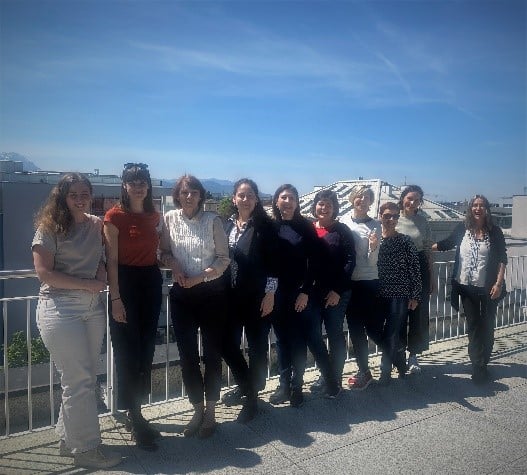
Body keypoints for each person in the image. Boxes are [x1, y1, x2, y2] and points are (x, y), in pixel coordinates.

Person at [32, 173, 122, 470]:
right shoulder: (48, 228)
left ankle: (66, 439)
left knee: (82, 378)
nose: (80, 199)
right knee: (79, 380)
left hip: (92, 308)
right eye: (74, 194)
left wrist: (100, 274)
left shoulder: (96, 225)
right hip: (60, 309)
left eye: (85, 194)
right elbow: (44, 273)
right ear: (63, 197)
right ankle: (86, 449)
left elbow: (104, 258)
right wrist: (88, 285)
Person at [159, 174, 230, 438]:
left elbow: (223, 259)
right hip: (182, 297)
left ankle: (211, 412)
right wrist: (174, 265)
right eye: (184, 192)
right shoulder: (169, 219)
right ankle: (197, 409)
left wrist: (200, 277)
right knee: (187, 356)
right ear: (177, 195)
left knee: (212, 354)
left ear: (201, 195)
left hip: (212, 295)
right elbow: (162, 253)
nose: (189, 196)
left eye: (194, 192)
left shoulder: (213, 221)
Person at [103, 163, 163, 451]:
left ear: (148, 186)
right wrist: (115, 299)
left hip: (150, 283)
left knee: (146, 349)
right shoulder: (114, 217)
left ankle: (136, 411)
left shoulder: (154, 215)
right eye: (133, 182)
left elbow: (160, 251)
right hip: (124, 285)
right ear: (124, 186)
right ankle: (135, 416)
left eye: (142, 182)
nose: (138, 187)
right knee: (127, 351)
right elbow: (111, 261)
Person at [269, 184, 341, 408]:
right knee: (282, 341)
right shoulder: (271, 227)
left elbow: (315, 263)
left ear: (297, 202)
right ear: (276, 201)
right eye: (283, 197)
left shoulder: (305, 227)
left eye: (292, 198)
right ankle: (284, 385)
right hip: (277, 294)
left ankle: (298, 386)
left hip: (301, 294)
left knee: (302, 341)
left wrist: (305, 292)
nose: (287, 201)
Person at [220, 178, 279, 422]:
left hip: (257, 298)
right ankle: (246, 386)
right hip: (230, 298)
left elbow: (274, 265)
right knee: (227, 345)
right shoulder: (226, 225)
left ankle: (252, 398)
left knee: (256, 349)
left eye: (250, 195)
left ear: (256, 199)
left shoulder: (266, 227)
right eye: (241, 195)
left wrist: (270, 294)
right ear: (234, 198)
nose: (245, 199)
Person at [432, 195, 507, 383]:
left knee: (487, 326)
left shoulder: (495, 231)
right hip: (466, 288)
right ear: (470, 209)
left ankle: (484, 362)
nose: (478, 208)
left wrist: (498, 284)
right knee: (473, 327)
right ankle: (478, 368)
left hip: (489, 288)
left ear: (487, 209)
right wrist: (423, 247)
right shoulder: (462, 228)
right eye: (474, 205)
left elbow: (502, 259)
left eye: (481, 205)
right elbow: (447, 243)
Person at [309, 189, 355, 393]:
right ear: (315, 206)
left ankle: (335, 379)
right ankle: (326, 374)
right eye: (321, 203)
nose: (324, 207)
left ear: (335, 208)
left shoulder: (342, 230)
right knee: (313, 335)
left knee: (334, 334)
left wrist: (337, 290)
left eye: (329, 204)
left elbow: (350, 261)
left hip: (337, 292)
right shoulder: (309, 229)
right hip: (313, 293)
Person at [341, 185, 384, 390]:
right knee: (355, 329)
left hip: (367, 281)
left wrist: (374, 247)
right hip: (348, 281)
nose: (362, 200)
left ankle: (396, 354)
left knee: (372, 328)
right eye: (359, 196)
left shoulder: (375, 225)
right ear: (352, 199)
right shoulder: (343, 221)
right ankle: (364, 371)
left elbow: (372, 262)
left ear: (371, 202)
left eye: (367, 197)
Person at [377, 202, 422, 385]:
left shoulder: (405, 241)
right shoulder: (374, 239)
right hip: (377, 294)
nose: (391, 219)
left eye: (395, 216)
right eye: (387, 215)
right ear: (380, 216)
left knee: (392, 332)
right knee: (378, 331)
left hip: (399, 294)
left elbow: (415, 269)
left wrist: (415, 295)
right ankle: (401, 363)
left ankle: (385, 371)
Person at [396, 185, 433, 374]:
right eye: (409, 198)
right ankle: (398, 354)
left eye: (417, 200)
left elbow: (428, 250)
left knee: (418, 315)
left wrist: (432, 277)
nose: (412, 202)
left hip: (419, 268)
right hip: (398, 269)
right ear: (403, 198)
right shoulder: (393, 217)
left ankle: (413, 355)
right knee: (398, 313)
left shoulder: (423, 221)